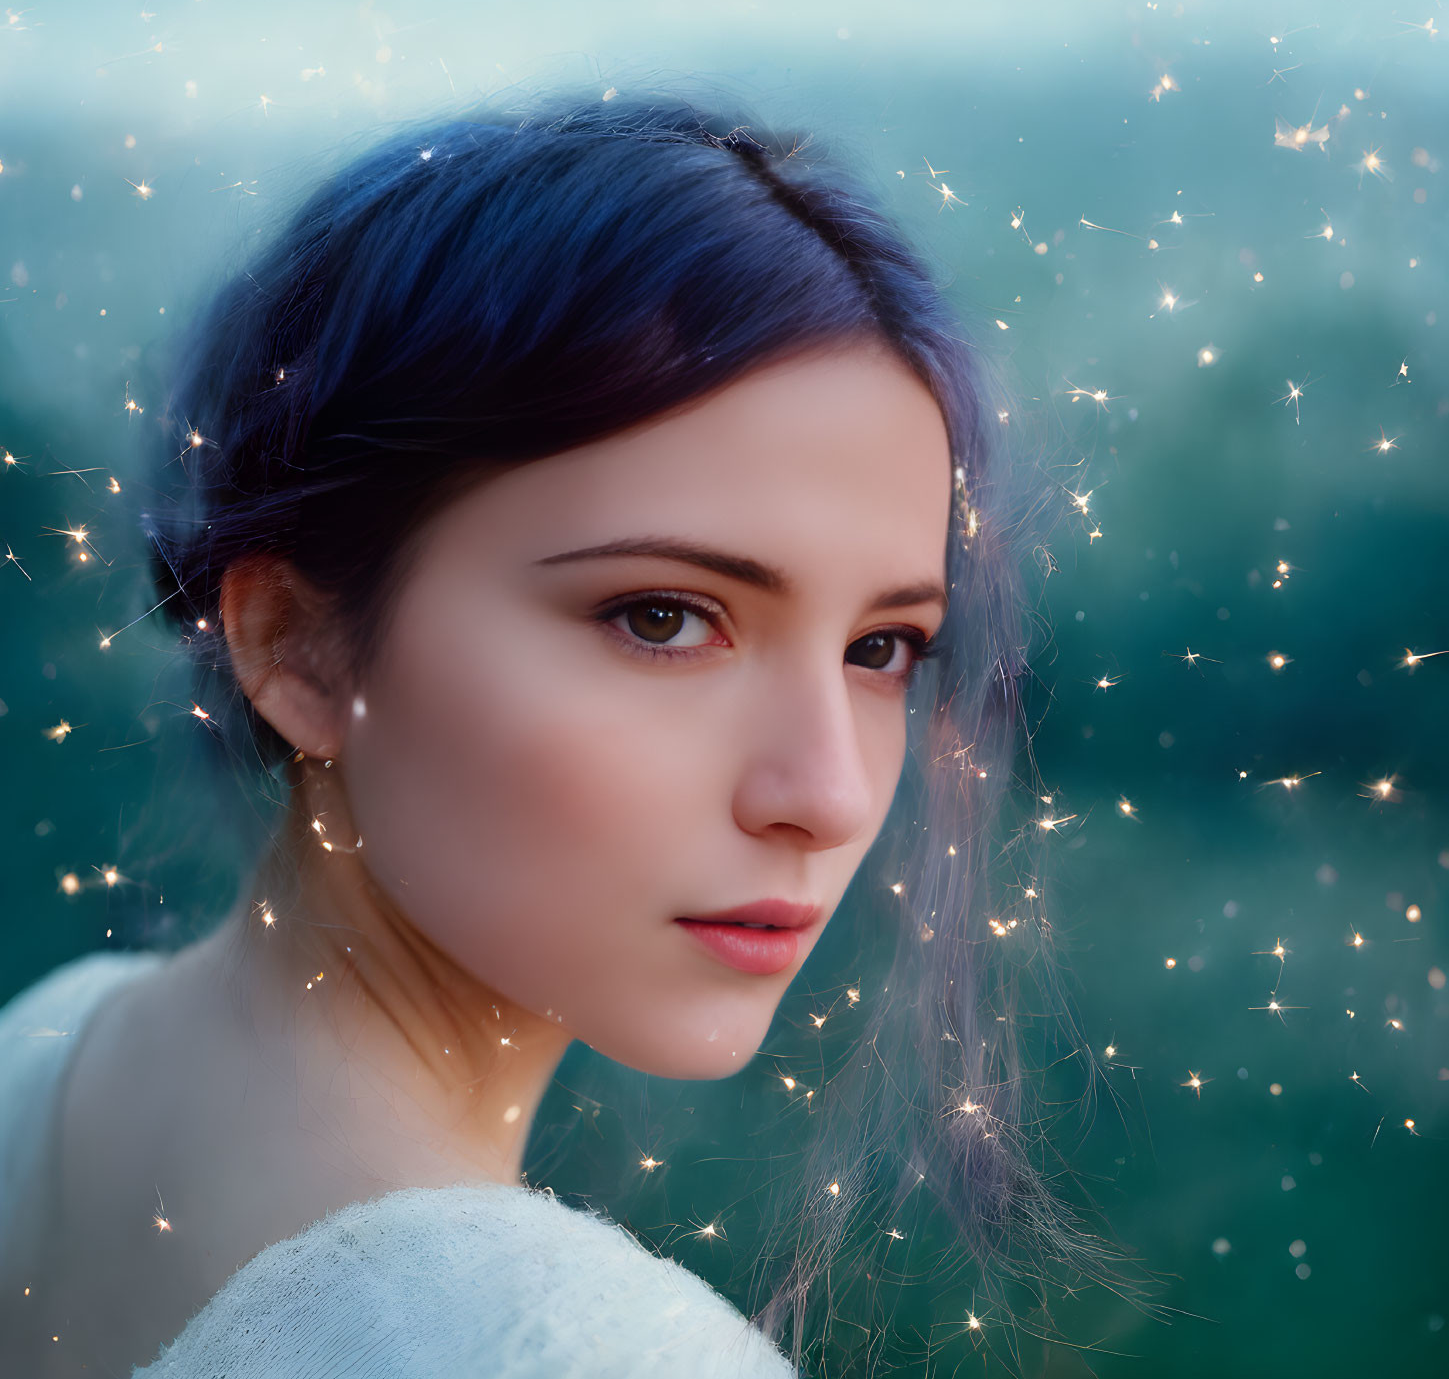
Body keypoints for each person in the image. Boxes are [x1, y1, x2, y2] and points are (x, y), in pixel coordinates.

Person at [0, 88, 1137, 1377]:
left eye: (882, 649)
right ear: (294, 647)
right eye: (662, 618)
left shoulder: (51, 1048)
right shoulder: (577, 1353)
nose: (823, 794)